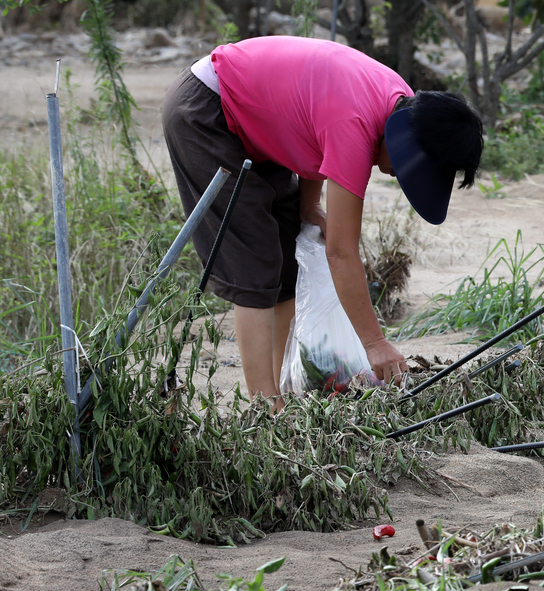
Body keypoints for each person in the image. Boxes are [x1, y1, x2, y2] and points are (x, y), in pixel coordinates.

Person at [161, 35, 483, 400]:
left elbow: (314, 126)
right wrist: (375, 343)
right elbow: (341, 252)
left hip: (257, 123)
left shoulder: (403, 105)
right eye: (412, 169)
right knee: (254, 263)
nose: (399, 175)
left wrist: (309, 205)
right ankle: (264, 406)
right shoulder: (358, 124)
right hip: (209, 109)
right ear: (407, 143)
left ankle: (281, 384)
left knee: (286, 261)